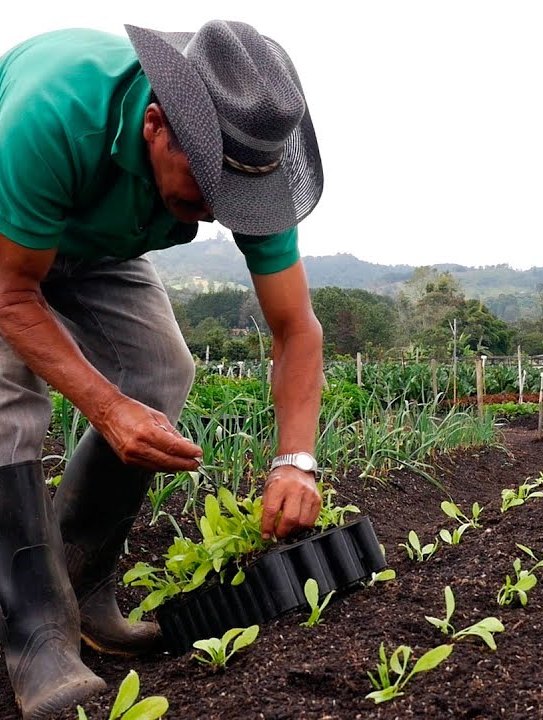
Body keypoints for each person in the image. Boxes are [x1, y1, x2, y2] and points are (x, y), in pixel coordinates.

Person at [0, 19, 325, 719]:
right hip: (9, 233)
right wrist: (106, 408)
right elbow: (11, 293)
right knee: (8, 402)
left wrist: (295, 462)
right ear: (154, 124)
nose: (218, 214)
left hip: (99, 243)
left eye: (234, 199)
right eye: (203, 187)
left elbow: (296, 328)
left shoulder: (247, 161)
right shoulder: (53, 113)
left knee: (160, 369)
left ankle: (81, 587)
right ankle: (35, 633)